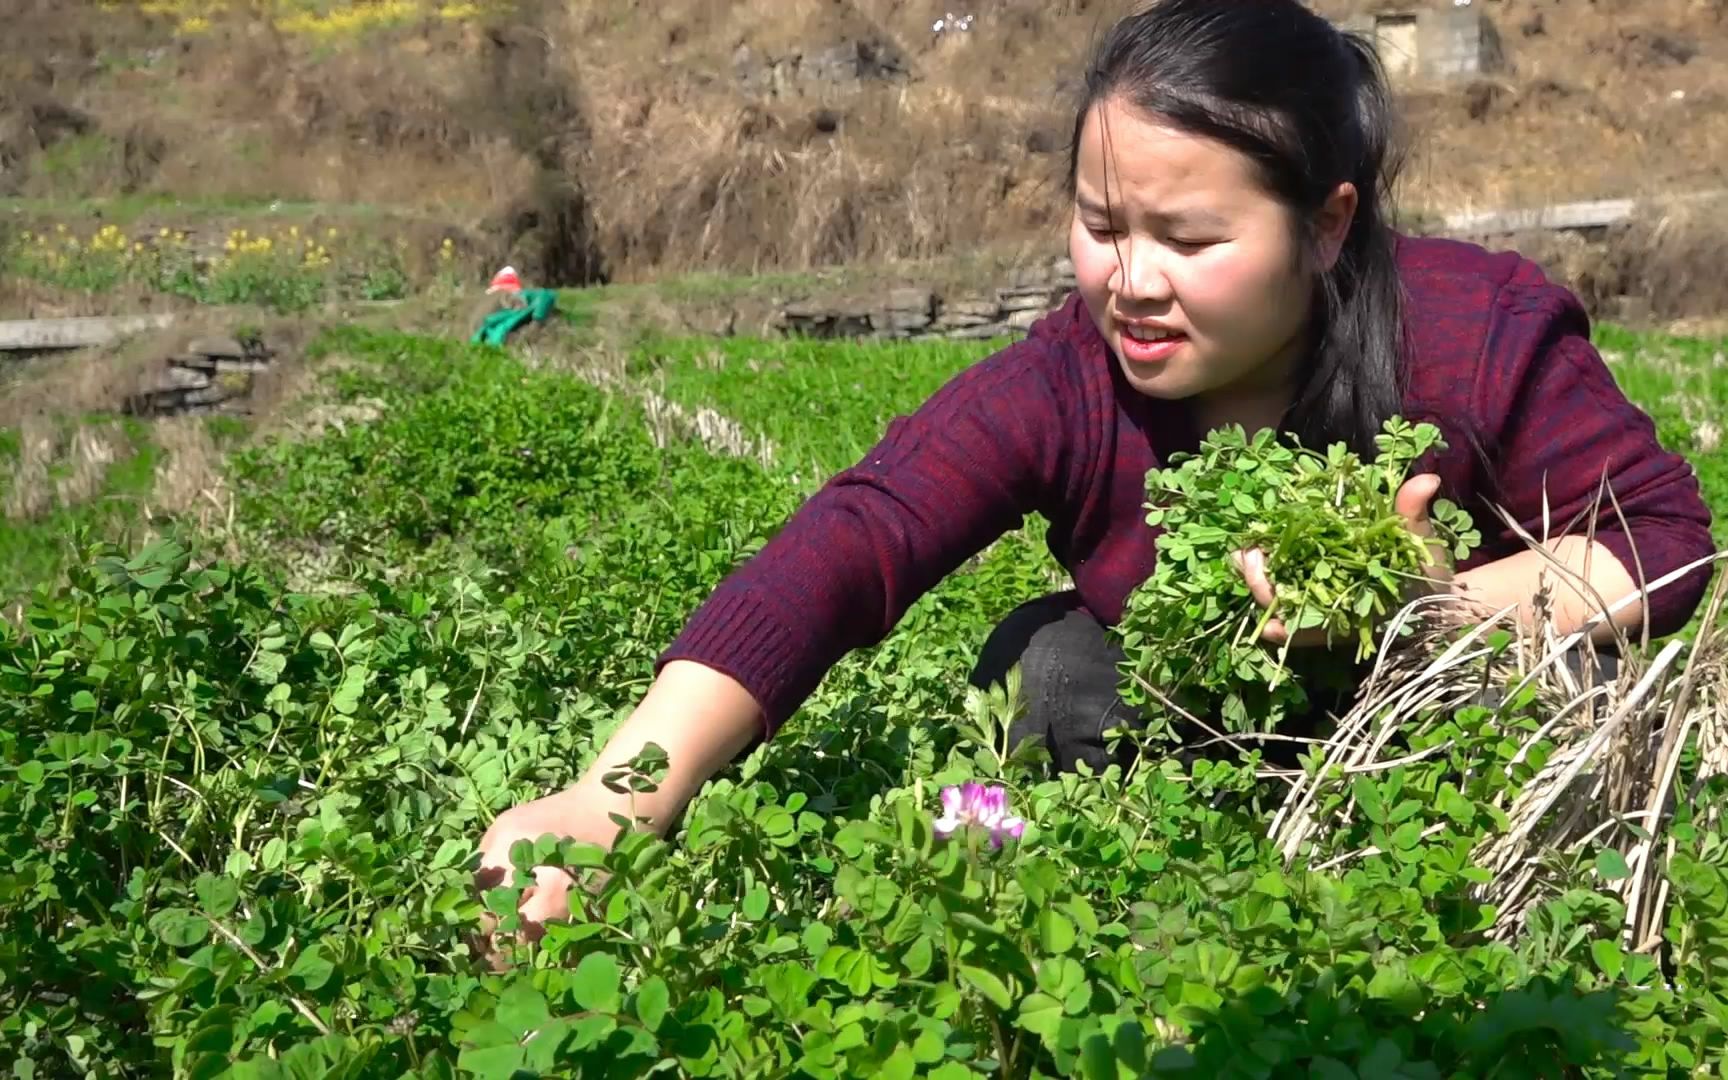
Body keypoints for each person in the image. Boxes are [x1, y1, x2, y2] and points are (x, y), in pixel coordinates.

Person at [474, 0, 1715, 936]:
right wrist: (616, 793)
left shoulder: (1472, 332)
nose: (1130, 281)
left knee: (1573, 685)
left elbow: (1668, 538)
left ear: (1328, 224)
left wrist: (1436, 605)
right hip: (1189, 736)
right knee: (1052, 665)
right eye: (1102, 225)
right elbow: (855, 542)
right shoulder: (1068, 378)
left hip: (1431, 728)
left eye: (1187, 238)